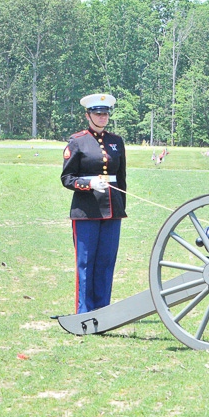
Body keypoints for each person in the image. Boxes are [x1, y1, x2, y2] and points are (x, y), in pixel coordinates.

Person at [60, 93, 127, 313]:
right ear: (88, 115)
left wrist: (121, 207)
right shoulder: (77, 141)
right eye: (98, 114)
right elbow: (67, 178)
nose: (102, 117)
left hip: (113, 210)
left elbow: (122, 179)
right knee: (86, 264)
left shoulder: (116, 142)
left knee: (106, 263)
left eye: (105, 114)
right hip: (86, 211)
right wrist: (88, 184)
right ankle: (84, 312)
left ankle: (103, 310)